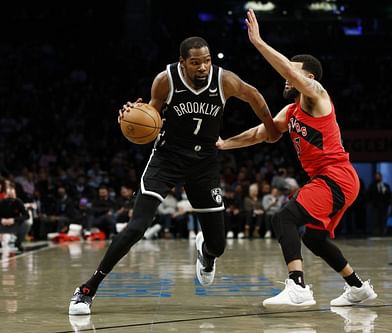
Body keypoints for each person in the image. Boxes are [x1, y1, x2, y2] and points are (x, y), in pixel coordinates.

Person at [68, 36, 280, 315]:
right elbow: (151, 116)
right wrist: (134, 116)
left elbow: (254, 95)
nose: (203, 67)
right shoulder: (165, 80)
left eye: (206, 61)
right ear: (183, 62)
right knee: (136, 228)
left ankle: (206, 252)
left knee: (218, 245)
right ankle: (87, 289)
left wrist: (270, 126)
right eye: (195, 63)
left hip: (204, 161)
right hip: (167, 158)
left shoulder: (224, 80)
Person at [216, 9, 377, 308]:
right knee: (314, 239)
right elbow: (262, 133)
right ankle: (357, 288)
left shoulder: (317, 96)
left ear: (309, 76)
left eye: (293, 69)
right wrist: (225, 144)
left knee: (283, 217)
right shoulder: (291, 112)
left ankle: (298, 287)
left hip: (336, 176)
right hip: (333, 180)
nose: (287, 75)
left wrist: (259, 42)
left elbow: (289, 72)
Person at [0, 184, 29, 252]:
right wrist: (1, 220)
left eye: (12, 195)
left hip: (14, 225)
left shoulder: (18, 202)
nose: (10, 198)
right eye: (9, 195)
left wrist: (14, 220)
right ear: (5, 195)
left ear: (15, 195)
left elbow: (26, 215)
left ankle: (18, 243)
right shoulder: (0, 203)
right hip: (1, 225)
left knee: (26, 224)